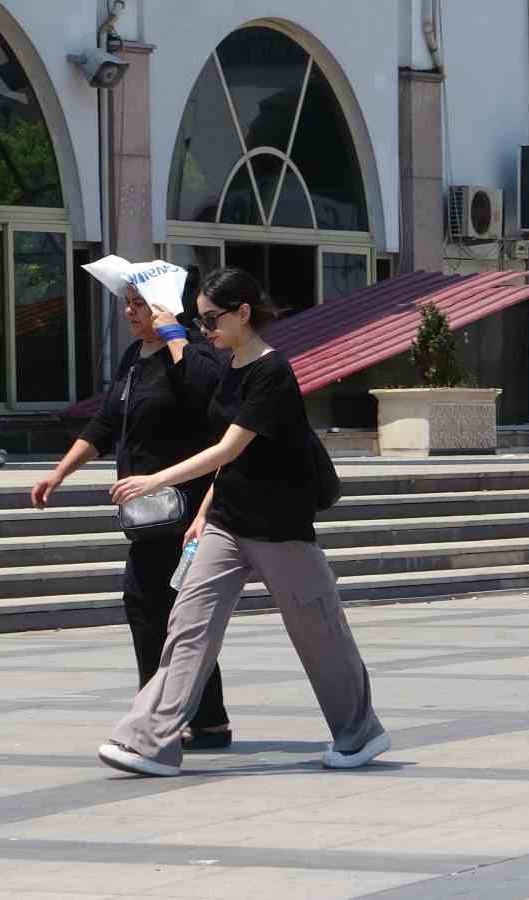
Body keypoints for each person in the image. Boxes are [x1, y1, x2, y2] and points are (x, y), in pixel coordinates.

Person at [95, 267, 388, 778]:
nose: (203, 328)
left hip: (280, 525)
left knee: (319, 632)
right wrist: (204, 513)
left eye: (210, 319)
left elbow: (229, 447)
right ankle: (151, 741)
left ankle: (359, 732)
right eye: (199, 319)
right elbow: (231, 462)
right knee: (188, 626)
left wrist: (153, 481)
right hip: (227, 521)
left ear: (244, 313)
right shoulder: (230, 366)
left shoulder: (273, 372)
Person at [31, 282, 234, 751]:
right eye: (126, 303)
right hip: (145, 512)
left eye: (139, 303)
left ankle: (167, 718)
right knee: (158, 611)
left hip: (187, 509)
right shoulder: (133, 358)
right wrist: (59, 474)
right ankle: (203, 719)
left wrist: (177, 336)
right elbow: (106, 423)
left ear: (165, 305)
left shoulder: (194, 354)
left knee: (160, 609)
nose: (129, 312)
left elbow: (215, 409)